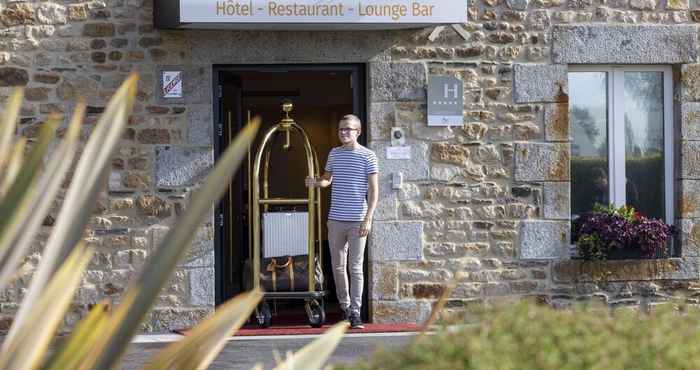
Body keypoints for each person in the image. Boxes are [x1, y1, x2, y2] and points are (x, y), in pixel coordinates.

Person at [305, 114, 378, 329]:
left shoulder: (368, 156)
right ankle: (345, 308)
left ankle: (355, 311)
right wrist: (315, 182)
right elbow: (327, 180)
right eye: (340, 130)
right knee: (337, 266)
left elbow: (374, 191)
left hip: (358, 220)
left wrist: (368, 219)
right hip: (335, 220)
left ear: (358, 131)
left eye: (348, 129)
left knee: (355, 267)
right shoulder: (334, 154)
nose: (343, 133)